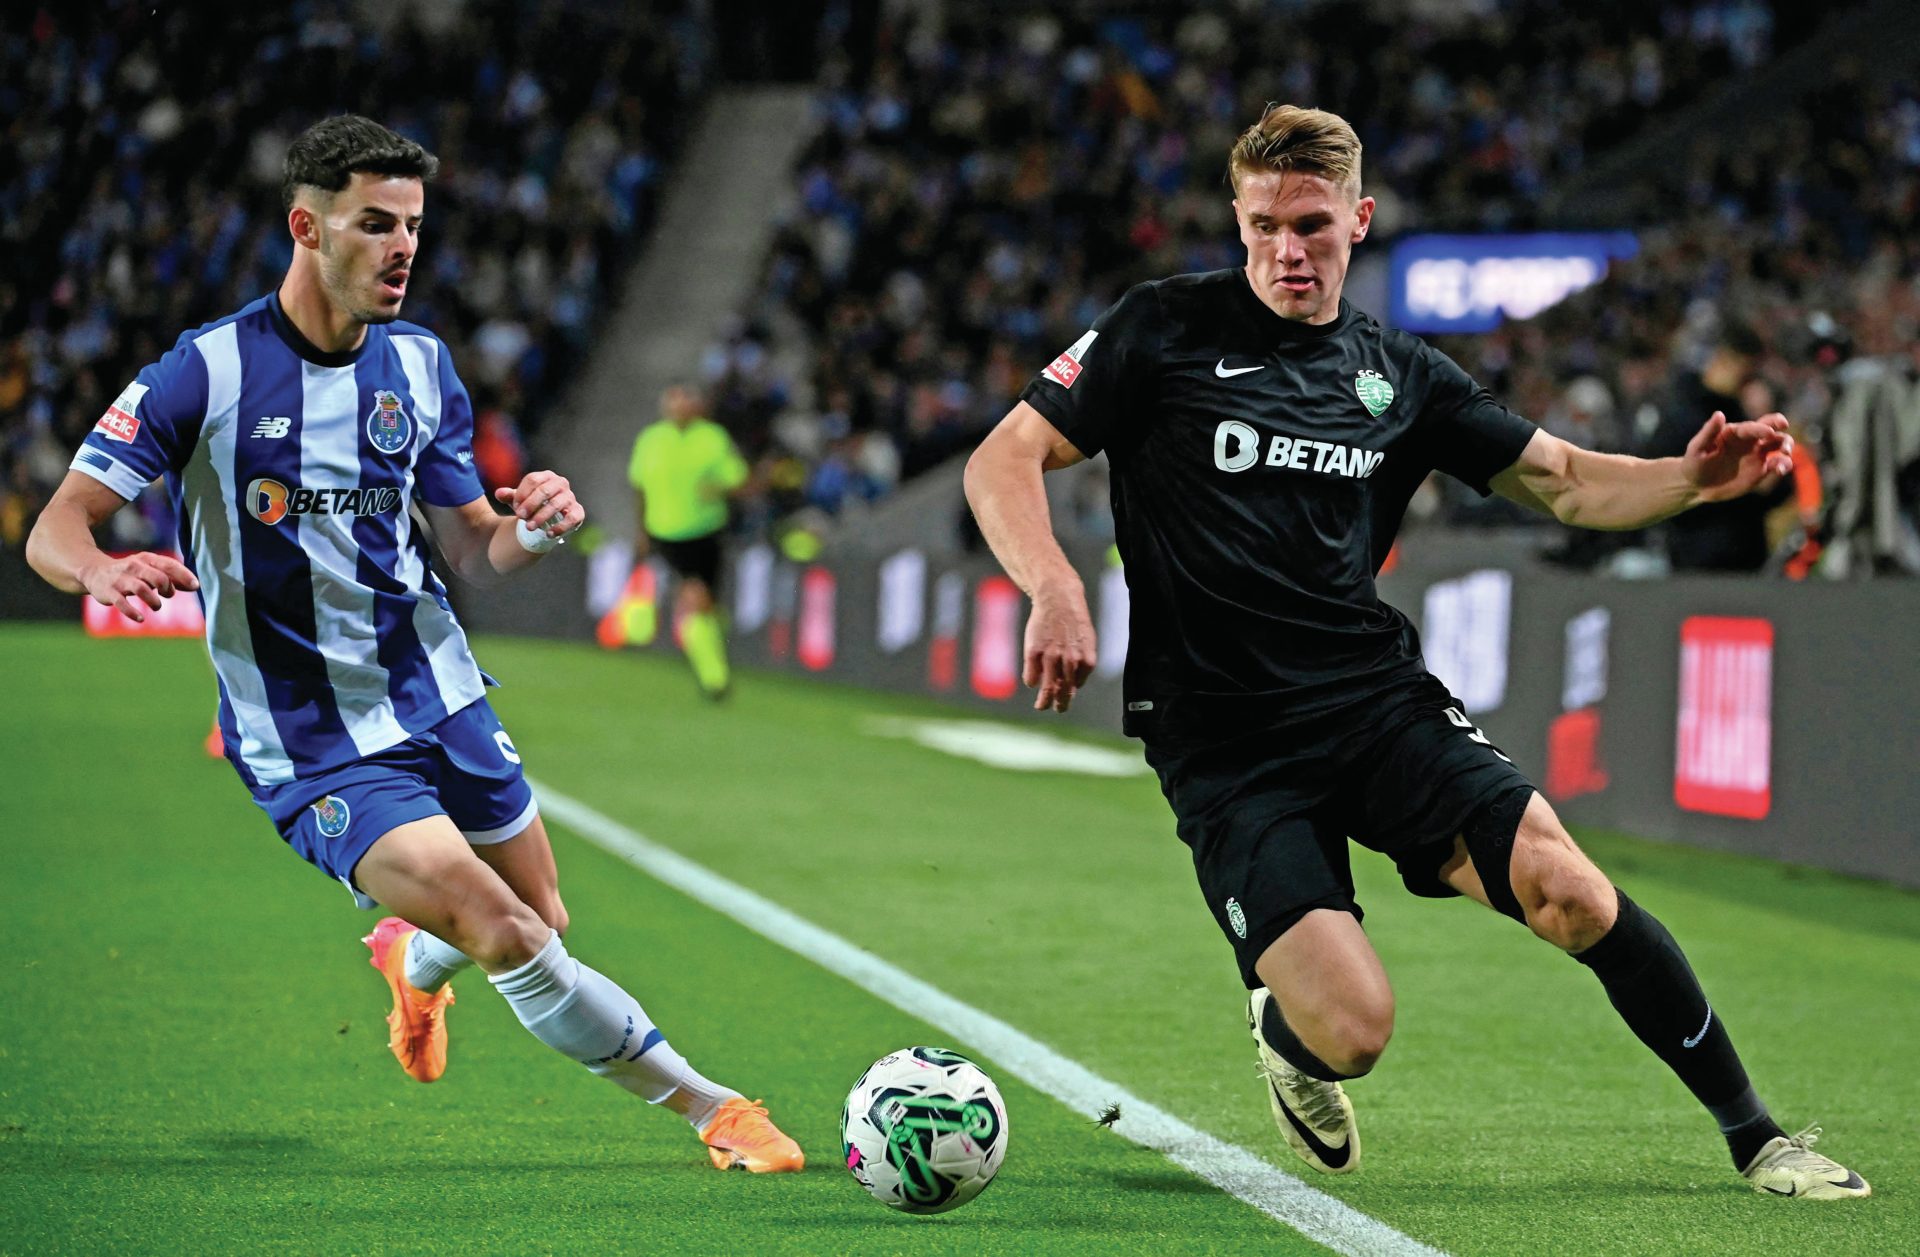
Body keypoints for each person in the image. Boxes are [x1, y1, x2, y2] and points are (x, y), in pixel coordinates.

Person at [963, 104, 1867, 1199]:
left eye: (1311, 224)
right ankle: (1290, 1031)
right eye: (1262, 226)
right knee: (1353, 1033)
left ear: (1360, 220)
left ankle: (1758, 1135)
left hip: (1373, 701)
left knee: (1569, 891)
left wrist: (1691, 480)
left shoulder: (1401, 373)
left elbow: (1567, 479)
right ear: (1237, 221)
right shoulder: (1159, 328)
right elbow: (1004, 457)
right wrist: (1054, 584)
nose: (1286, 250)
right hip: (1225, 738)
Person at [25, 115, 802, 1174]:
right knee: (508, 930)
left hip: (439, 695)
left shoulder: (423, 368)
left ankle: (409, 963)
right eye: (375, 225)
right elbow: (53, 526)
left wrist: (532, 523)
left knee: (541, 914)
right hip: (310, 739)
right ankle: (716, 1112)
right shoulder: (202, 374)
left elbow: (475, 551)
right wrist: (102, 568)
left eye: (414, 228)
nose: (401, 250)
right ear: (306, 227)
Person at [628, 383, 749, 699]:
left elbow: (736, 479)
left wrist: (718, 487)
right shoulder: (651, 439)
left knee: (709, 605)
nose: (678, 408)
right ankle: (715, 679)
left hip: (707, 531)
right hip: (666, 531)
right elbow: (639, 486)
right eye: (673, 402)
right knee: (694, 595)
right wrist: (641, 531)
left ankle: (705, 650)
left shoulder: (713, 438)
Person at [1642, 322, 1793, 571]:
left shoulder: (1742, 413)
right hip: (1697, 555)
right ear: (1726, 360)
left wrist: (1767, 483)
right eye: (1746, 373)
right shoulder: (1682, 413)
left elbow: (1778, 489)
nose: (1748, 383)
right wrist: (1745, 487)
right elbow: (1665, 481)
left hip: (1746, 558)